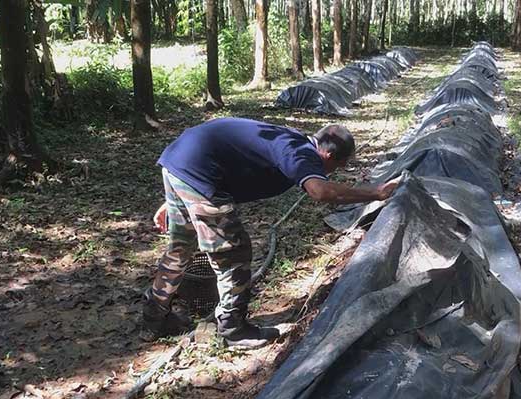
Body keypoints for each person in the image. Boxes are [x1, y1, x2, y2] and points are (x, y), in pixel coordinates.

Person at [144, 117, 399, 349]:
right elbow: (320, 192)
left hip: (181, 162)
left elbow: (227, 153)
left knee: (181, 247)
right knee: (233, 252)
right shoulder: (302, 153)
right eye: (339, 166)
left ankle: (153, 316)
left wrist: (179, 196)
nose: (333, 173)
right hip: (196, 172)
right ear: (328, 155)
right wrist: (376, 193)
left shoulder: (292, 139)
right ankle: (233, 329)